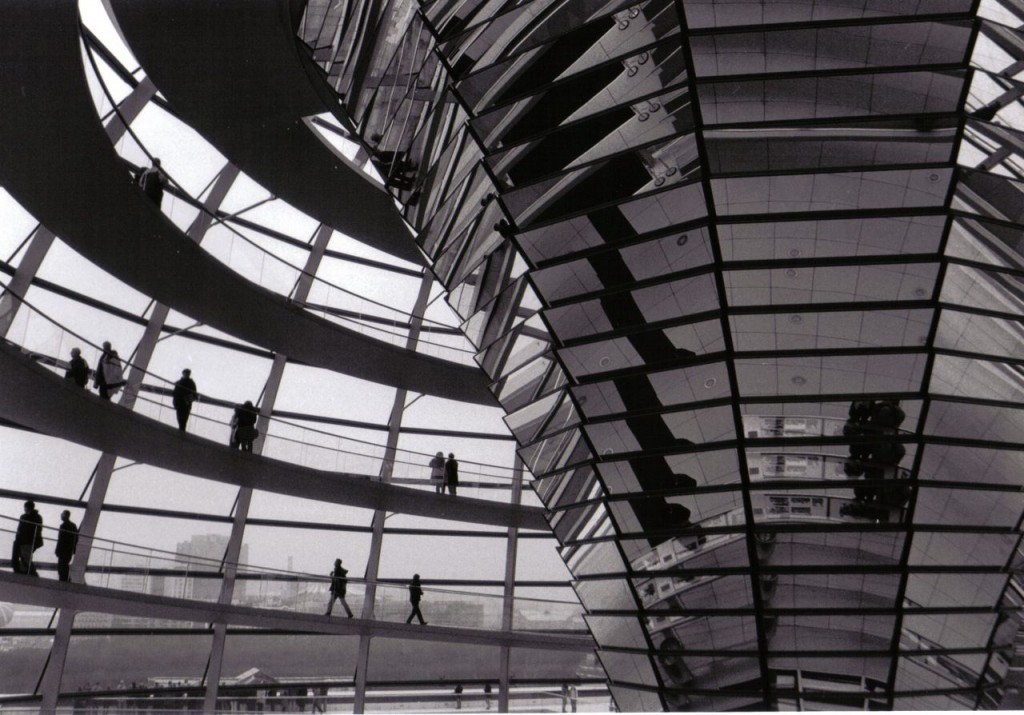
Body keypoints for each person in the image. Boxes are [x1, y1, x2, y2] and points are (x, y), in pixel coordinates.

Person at [12, 500, 43, 576]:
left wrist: (18, 539)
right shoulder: (38, 517)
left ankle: (25, 573)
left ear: (26, 507)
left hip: (24, 541)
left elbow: (20, 529)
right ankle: (29, 572)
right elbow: (38, 529)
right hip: (32, 541)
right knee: (26, 557)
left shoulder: (24, 517)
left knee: (22, 557)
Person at [55, 510, 79, 582]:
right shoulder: (73, 526)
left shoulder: (63, 526)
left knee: (61, 566)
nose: (61, 515)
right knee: (65, 565)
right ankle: (65, 580)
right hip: (69, 550)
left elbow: (61, 539)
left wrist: (57, 550)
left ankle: (63, 581)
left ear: (65, 515)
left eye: (62, 514)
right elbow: (76, 538)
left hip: (63, 550)